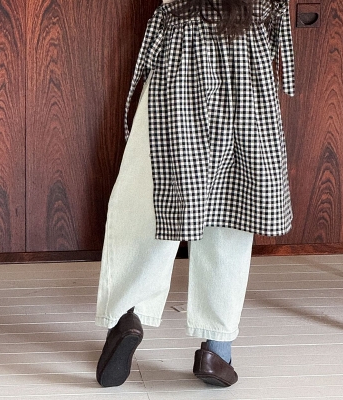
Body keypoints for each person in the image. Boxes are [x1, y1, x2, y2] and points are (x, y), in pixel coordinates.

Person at [95, 0, 295, 388]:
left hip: (180, 58)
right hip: (246, 62)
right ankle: (217, 349)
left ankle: (127, 315)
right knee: (232, 208)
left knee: (150, 201)